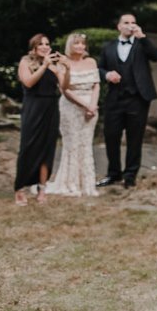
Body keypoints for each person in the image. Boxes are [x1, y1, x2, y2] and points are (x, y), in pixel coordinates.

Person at [96, 14, 157, 188]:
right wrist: (107, 75)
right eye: (126, 23)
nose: (130, 26)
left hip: (138, 99)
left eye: (133, 23)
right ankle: (113, 173)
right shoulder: (108, 47)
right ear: (119, 26)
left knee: (135, 138)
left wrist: (143, 37)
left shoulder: (142, 44)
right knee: (111, 137)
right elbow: (99, 68)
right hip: (114, 99)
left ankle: (130, 175)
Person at [14, 34, 66, 206]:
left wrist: (67, 69)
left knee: (47, 148)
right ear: (34, 47)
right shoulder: (25, 61)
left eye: (47, 44)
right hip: (33, 107)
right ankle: (20, 188)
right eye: (41, 44)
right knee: (28, 147)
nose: (45, 46)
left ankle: (42, 189)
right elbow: (28, 82)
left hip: (51, 108)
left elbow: (65, 88)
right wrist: (44, 65)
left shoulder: (54, 64)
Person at [47, 33, 100, 197]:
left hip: (91, 107)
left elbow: (96, 85)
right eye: (77, 44)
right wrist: (85, 105)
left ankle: (87, 184)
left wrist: (92, 105)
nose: (80, 47)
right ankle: (70, 183)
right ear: (70, 45)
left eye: (83, 44)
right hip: (71, 107)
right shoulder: (63, 63)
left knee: (85, 144)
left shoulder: (91, 61)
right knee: (72, 144)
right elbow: (65, 90)